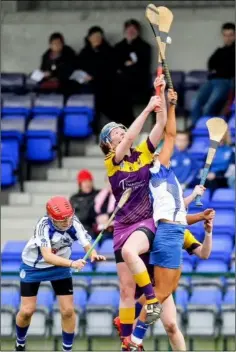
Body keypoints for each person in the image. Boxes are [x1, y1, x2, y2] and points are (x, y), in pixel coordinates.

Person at [121, 84, 203, 350]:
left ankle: (131, 330)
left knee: (167, 314)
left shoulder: (161, 173)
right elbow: (168, 134)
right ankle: (133, 339)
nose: (158, 151)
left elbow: (169, 133)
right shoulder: (156, 169)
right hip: (169, 233)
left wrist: (171, 104)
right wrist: (169, 105)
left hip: (171, 230)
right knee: (162, 294)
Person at [99, 75, 167, 347]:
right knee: (126, 290)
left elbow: (161, 125)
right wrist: (148, 107)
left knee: (132, 256)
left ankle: (151, 302)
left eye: (121, 128)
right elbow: (130, 137)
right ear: (109, 143)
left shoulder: (142, 153)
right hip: (122, 227)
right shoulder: (111, 161)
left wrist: (159, 97)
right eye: (115, 132)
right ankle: (128, 342)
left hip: (145, 221)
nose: (120, 131)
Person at [114, 209, 215, 351]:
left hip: (159, 286)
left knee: (171, 326)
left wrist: (208, 232)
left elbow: (204, 254)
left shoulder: (179, 233)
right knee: (130, 335)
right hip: (140, 284)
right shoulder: (145, 229)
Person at [15, 196, 105, 352]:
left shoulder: (73, 222)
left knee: (68, 311)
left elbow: (85, 242)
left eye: (69, 218)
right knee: (27, 311)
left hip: (60, 267)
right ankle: (20, 342)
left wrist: (93, 254)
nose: (67, 222)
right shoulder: (43, 226)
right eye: (62, 220)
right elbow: (48, 256)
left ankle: (67, 349)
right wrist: (72, 263)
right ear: (51, 217)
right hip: (33, 266)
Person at [191, 22, 235, 126]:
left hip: (226, 81)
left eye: (230, 35)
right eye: (225, 35)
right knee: (195, 101)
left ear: (235, 35)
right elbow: (210, 64)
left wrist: (221, 70)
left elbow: (230, 70)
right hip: (211, 81)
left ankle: (205, 129)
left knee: (209, 105)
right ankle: (196, 128)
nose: (227, 38)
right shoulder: (219, 51)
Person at [75, 26, 116, 135]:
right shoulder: (84, 52)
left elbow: (111, 69)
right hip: (88, 87)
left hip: (105, 86)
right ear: (89, 38)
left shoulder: (108, 51)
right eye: (94, 36)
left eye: (99, 36)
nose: (97, 39)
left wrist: (95, 76)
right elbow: (78, 68)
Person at [114, 19, 152, 127]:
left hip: (139, 83)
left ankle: (129, 124)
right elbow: (116, 64)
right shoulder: (119, 47)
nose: (131, 32)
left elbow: (143, 67)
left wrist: (128, 65)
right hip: (121, 84)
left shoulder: (145, 47)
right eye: (128, 29)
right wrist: (127, 65)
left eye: (133, 29)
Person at [69, 169, 98, 236]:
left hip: (92, 230)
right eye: (85, 181)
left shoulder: (98, 195)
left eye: (89, 181)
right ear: (80, 184)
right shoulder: (74, 198)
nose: (88, 184)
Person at [204, 129, 233, 193]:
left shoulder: (231, 150)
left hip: (223, 177)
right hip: (209, 176)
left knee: (212, 182)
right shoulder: (209, 151)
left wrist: (216, 174)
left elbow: (231, 168)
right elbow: (204, 166)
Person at [93, 177, 116, 242]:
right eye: (108, 182)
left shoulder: (120, 196)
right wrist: (99, 218)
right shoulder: (102, 195)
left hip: (113, 228)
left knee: (104, 237)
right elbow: (94, 211)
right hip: (101, 227)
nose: (110, 184)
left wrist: (108, 217)